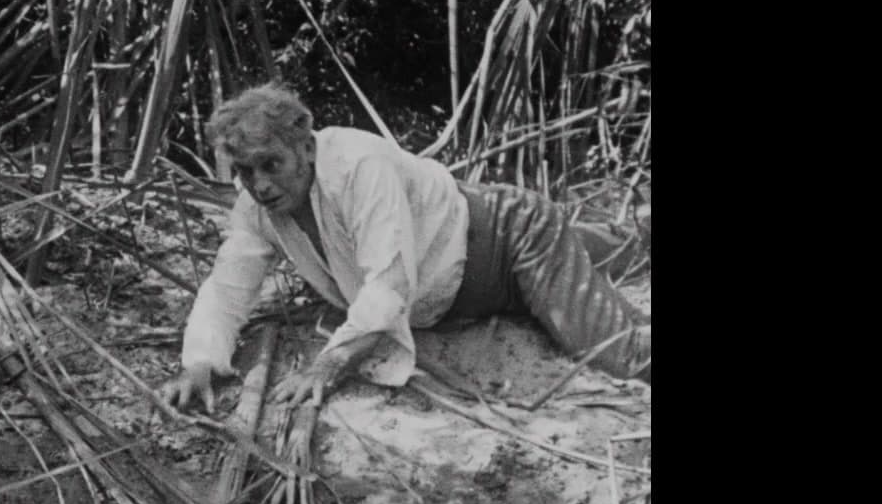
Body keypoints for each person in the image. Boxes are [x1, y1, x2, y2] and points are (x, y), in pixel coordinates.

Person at [159, 84, 650, 413]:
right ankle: (637, 234)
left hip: (511, 237)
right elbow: (227, 288)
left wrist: (328, 365)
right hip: (465, 262)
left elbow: (389, 286)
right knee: (620, 250)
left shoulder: (357, 165)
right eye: (245, 171)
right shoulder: (257, 206)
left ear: (306, 147)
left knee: (619, 354)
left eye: (270, 164)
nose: (259, 185)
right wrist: (200, 362)